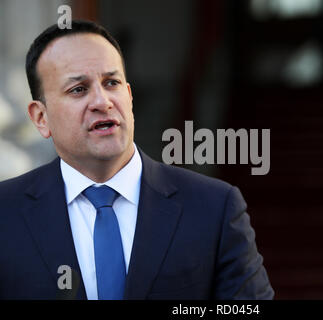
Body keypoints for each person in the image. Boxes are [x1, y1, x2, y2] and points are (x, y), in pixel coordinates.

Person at [0, 20, 274, 300]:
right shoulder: (5, 213)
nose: (102, 101)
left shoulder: (215, 208)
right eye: (79, 89)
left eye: (111, 83)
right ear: (40, 117)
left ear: (129, 97)